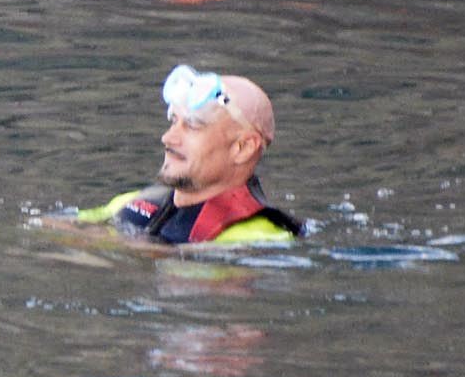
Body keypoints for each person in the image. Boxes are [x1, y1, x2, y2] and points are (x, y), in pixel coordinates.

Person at [70, 65, 303, 245]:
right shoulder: (136, 200)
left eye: (192, 125)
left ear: (242, 148)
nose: (168, 138)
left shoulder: (259, 238)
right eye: (174, 121)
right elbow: (58, 229)